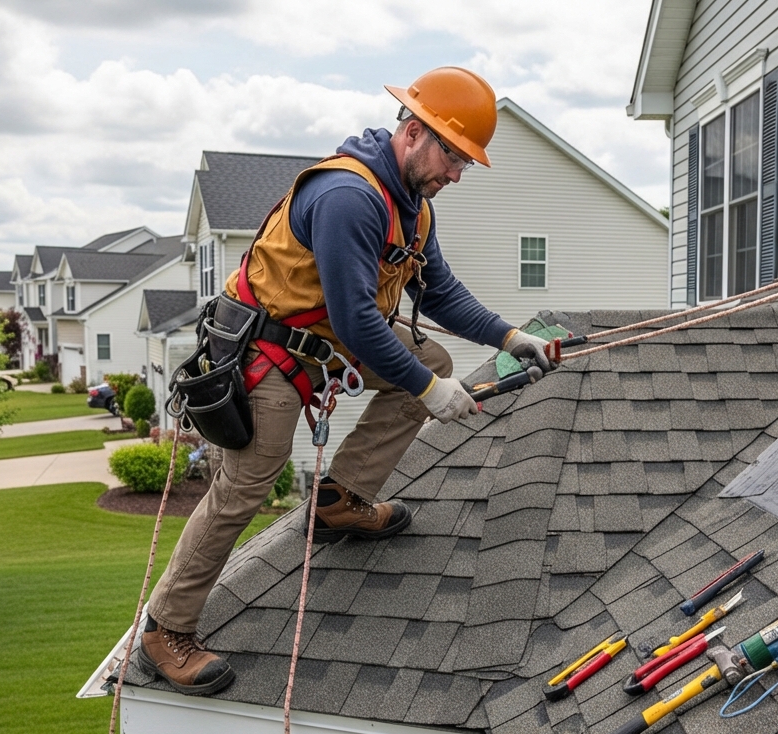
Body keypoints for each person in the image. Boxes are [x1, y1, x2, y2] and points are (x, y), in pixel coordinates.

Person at [139, 66, 555, 695]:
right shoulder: (349, 197)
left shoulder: (412, 211)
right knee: (248, 481)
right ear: (413, 133)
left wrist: (507, 336)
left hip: (324, 346)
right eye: (453, 155)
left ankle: (339, 500)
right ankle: (165, 629)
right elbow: (359, 321)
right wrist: (426, 391)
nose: (457, 174)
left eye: (466, 161)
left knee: (434, 360)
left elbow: (437, 291)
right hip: (268, 352)